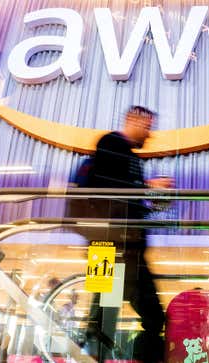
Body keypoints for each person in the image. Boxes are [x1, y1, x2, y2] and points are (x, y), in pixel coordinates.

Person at [73, 105, 172, 363]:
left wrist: (151, 197)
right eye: (148, 127)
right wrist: (148, 186)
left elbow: (126, 199)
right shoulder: (110, 143)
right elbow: (107, 186)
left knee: (105, 312)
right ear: (134, 120)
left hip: (115, 244)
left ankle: (92, 354)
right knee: (146, 315)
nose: (149, 135)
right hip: (114, 245)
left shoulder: (128, 156)